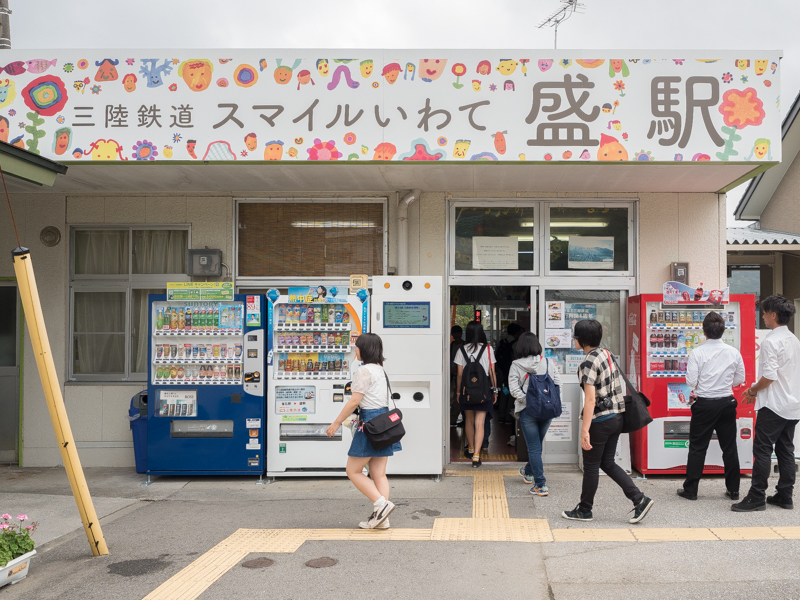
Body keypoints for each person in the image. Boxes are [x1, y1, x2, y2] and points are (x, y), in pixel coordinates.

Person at [562, 320, 654, 523]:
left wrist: (584, 430)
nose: (574, 340)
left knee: (592, 467)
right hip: (617, 417)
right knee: (608, 463)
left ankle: (584, 510)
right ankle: (639, 499)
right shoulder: (607, 354)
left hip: (600, 421)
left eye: (575, 336)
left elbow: (590, 400)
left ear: (582, 339)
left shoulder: (587, 363)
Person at [733, 295, 800, 512]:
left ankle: (756, 497)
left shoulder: (771, 341)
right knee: (786, 450)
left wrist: (752, 390)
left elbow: (769, 376)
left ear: (773, 315)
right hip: (792, 404)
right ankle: (785, 495)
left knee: (762, 450)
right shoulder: (794, 339)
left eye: (764, 312)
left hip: (773, 405)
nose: (762, 316)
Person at [326, 333, 399, 529]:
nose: (354, 350)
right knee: (378, 473)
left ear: (364, 349)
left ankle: (381, 505)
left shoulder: (364, 371)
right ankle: (382, 519)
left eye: (356, 347)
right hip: (384, 422)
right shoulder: (380, 370)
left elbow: (355, 401)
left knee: (353, 470)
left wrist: (336, 423)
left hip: (369, 422)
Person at [677, 312, 745, 501]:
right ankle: (734, 490)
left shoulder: (697, 352)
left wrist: (701, 386)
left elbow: (691, 381)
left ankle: (691, 490)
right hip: (726, 403)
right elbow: (740, 378)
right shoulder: (733, 352)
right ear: (723, 330)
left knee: (698, 448)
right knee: (729, 447)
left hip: (704, 404)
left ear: (704, 331)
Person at [509, 332, 561, 496]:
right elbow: (558, 383)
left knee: (533, 446)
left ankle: (540, 484)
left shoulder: (516, 365)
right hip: (547, 411)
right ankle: (528, 472)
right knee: (537, 445)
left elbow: (514, 389)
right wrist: (552, 402)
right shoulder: (548, 362)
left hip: (528, 411)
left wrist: (527, 401)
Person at [454, 321, 498, 467]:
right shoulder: (488, 349)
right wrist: (495, 390)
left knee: (468, 420)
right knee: (480, 423)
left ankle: (471, 449)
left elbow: (459, 375)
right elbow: (492, 372)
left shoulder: (461, 349)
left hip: (467, 391)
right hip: (483, 390)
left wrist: (459, 392)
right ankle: (476, 457)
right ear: (481, 333)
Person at [495, 323, 524, 424]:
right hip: (512, 372)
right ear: (517, 332)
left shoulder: (502, 342)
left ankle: (501, 415)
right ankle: (508, 416)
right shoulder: (516, 344)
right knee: (512, 394)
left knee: (504, 392)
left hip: (501, 371)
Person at [450, 325, 465, 427]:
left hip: (462, 376)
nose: (456, 335)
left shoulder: (465, 345)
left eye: (458, 333)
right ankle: (453, 419)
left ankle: (457, 418)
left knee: (459, 398)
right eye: (454, 333)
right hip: (452, 375)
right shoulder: (452, 345)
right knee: (454, 398)